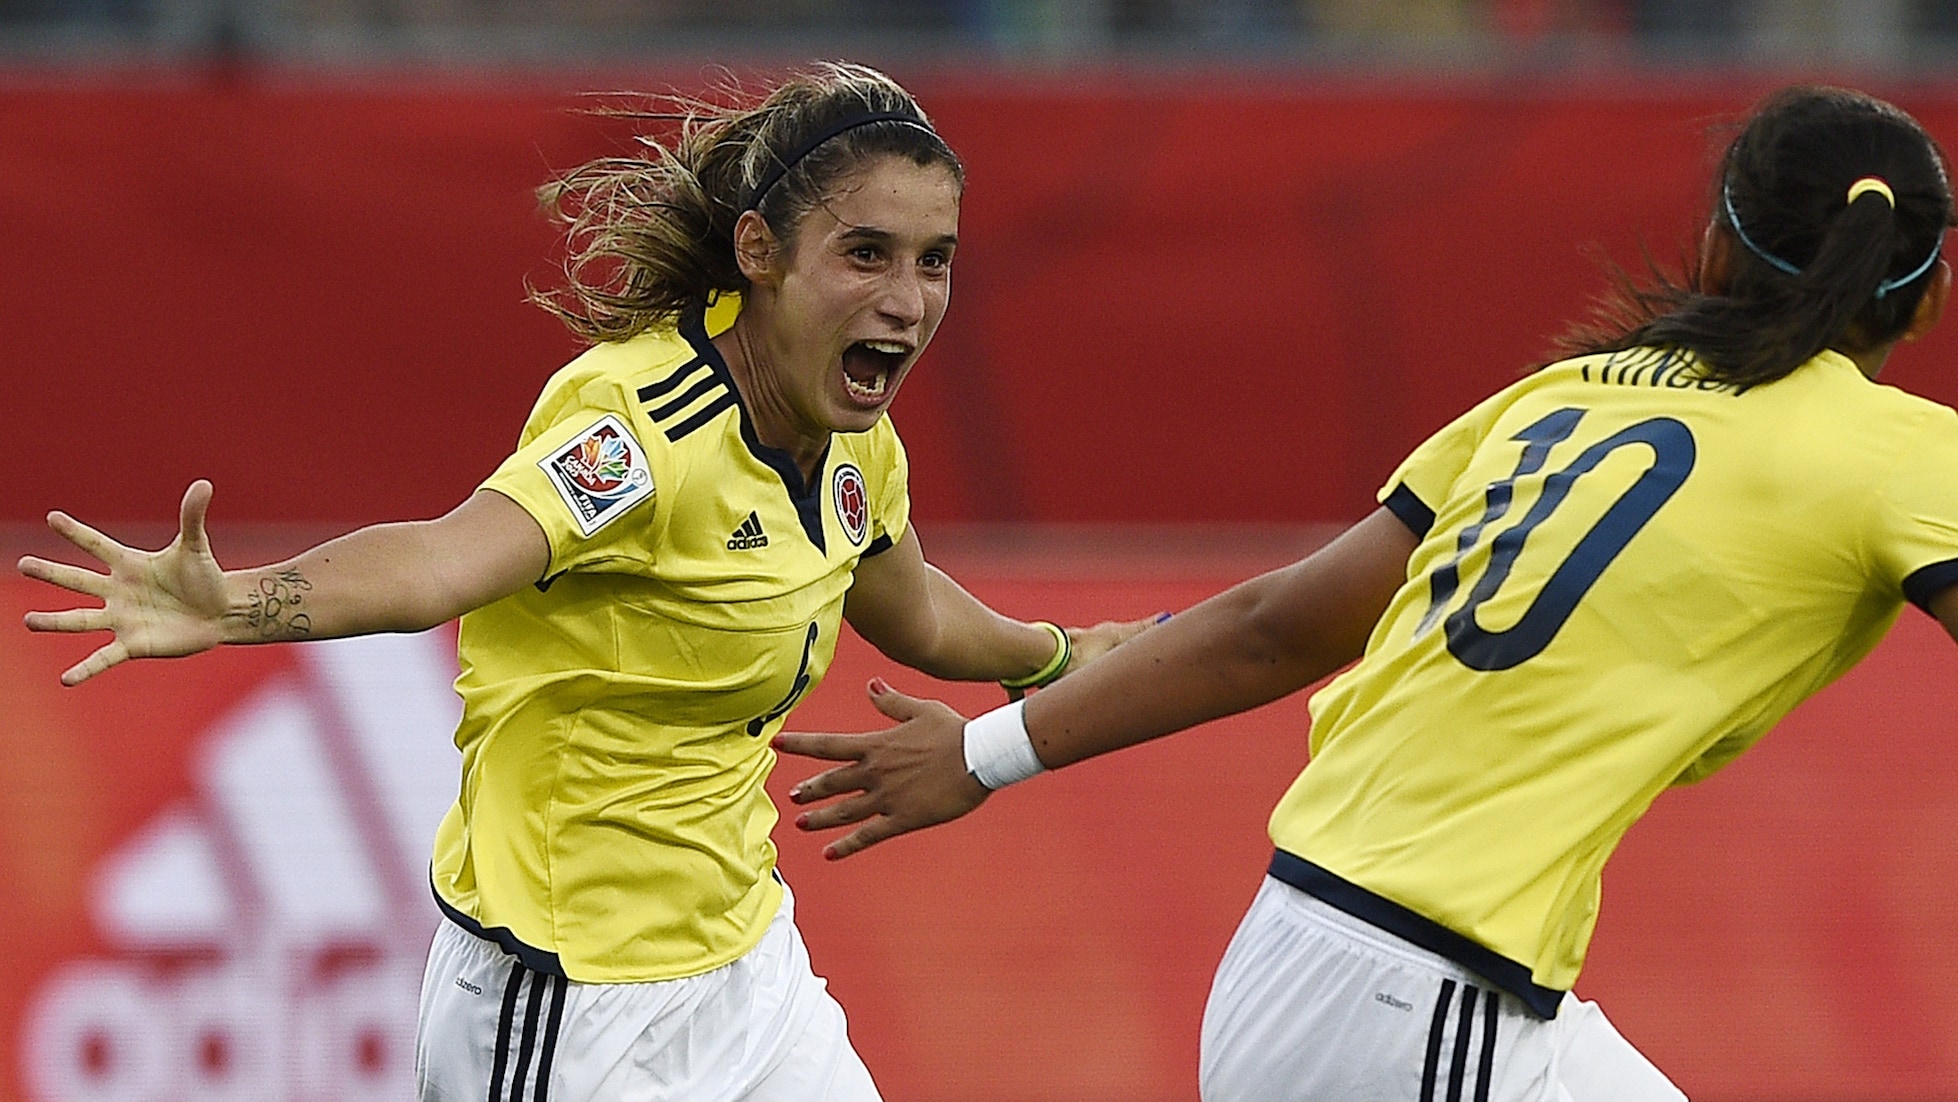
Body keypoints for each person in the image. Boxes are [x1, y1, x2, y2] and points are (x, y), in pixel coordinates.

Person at [777, 84, 1958, 1100]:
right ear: (1923, 291)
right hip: (1422, 995)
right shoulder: (1902, 457)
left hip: (1321, 959)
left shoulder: (1566, 395)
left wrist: (986, 753)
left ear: (1715, 243)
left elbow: (1274, 624)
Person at [18, 62, 1152, 1102]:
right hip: (569, 995)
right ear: (758, 250)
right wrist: (238, 603)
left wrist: (1050, 655)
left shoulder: (854, 438)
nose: (907, 299)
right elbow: (439, 560)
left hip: (746, 963)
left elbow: (908, 603)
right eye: (865, 254)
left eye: (933, 258)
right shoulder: (640, 424)